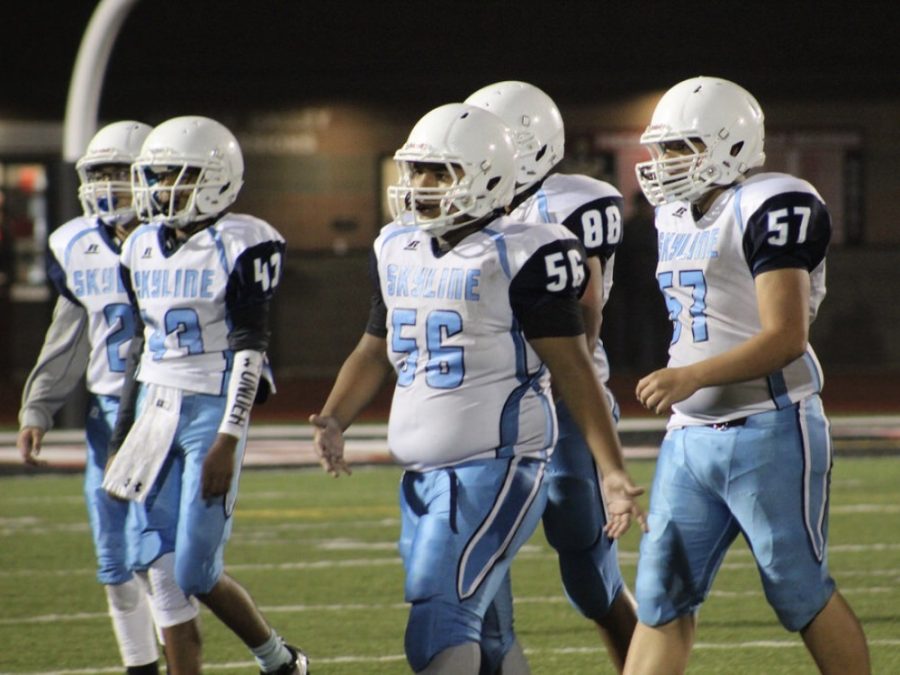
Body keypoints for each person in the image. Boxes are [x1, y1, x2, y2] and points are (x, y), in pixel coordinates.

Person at [308, 102, 645, 674]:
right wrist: (335, 416)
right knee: (488, 634)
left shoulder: (525, 252)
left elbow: (574, 370)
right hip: (424, 476)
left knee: (441, 618)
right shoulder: (396, 246)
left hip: (498, 464)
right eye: (417, 171)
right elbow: (374, 347)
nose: (421, 185)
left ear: (489, 176)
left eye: (440, 172)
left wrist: (611, 471)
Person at [625, 76, 871, 675]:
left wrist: (690, 376)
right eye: (662, 149)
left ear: (730, 144)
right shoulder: (673, 215)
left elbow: (786, 337)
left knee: (798, 589)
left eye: (682, 147)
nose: (664, 163)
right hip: (689, 437)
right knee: (660, 596)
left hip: (770, 426)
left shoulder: (772, 202)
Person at [107, 116, 307, 675]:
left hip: (211, 409)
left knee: (196, 570)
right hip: (155, 406)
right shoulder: (139, 246)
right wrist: (125, 429)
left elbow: (252, 345)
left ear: (218, 179)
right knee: (151, 558)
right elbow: (142, 344)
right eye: (158, 176)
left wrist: (228, 436)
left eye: (178, 175)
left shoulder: (243, 242)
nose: (162, 188)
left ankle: (279, 658)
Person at [464, 81, 636, 673]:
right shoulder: (470, 205)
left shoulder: (574, 203)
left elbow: (585, 310)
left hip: (562, 401)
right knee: (477, 583)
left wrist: (560, 381)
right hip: (487, 404)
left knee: (591, 576)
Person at [17, 120, 170, 674]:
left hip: (163, 410)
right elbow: (69, 333)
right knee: (112, 557)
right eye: (99, 173)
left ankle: (182, 656)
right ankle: (140, 666)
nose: (108, 185)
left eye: (120, 173)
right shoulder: (76, 243)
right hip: (107, 414)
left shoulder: (176, 239)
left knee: (154, 553)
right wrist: (40, 405)